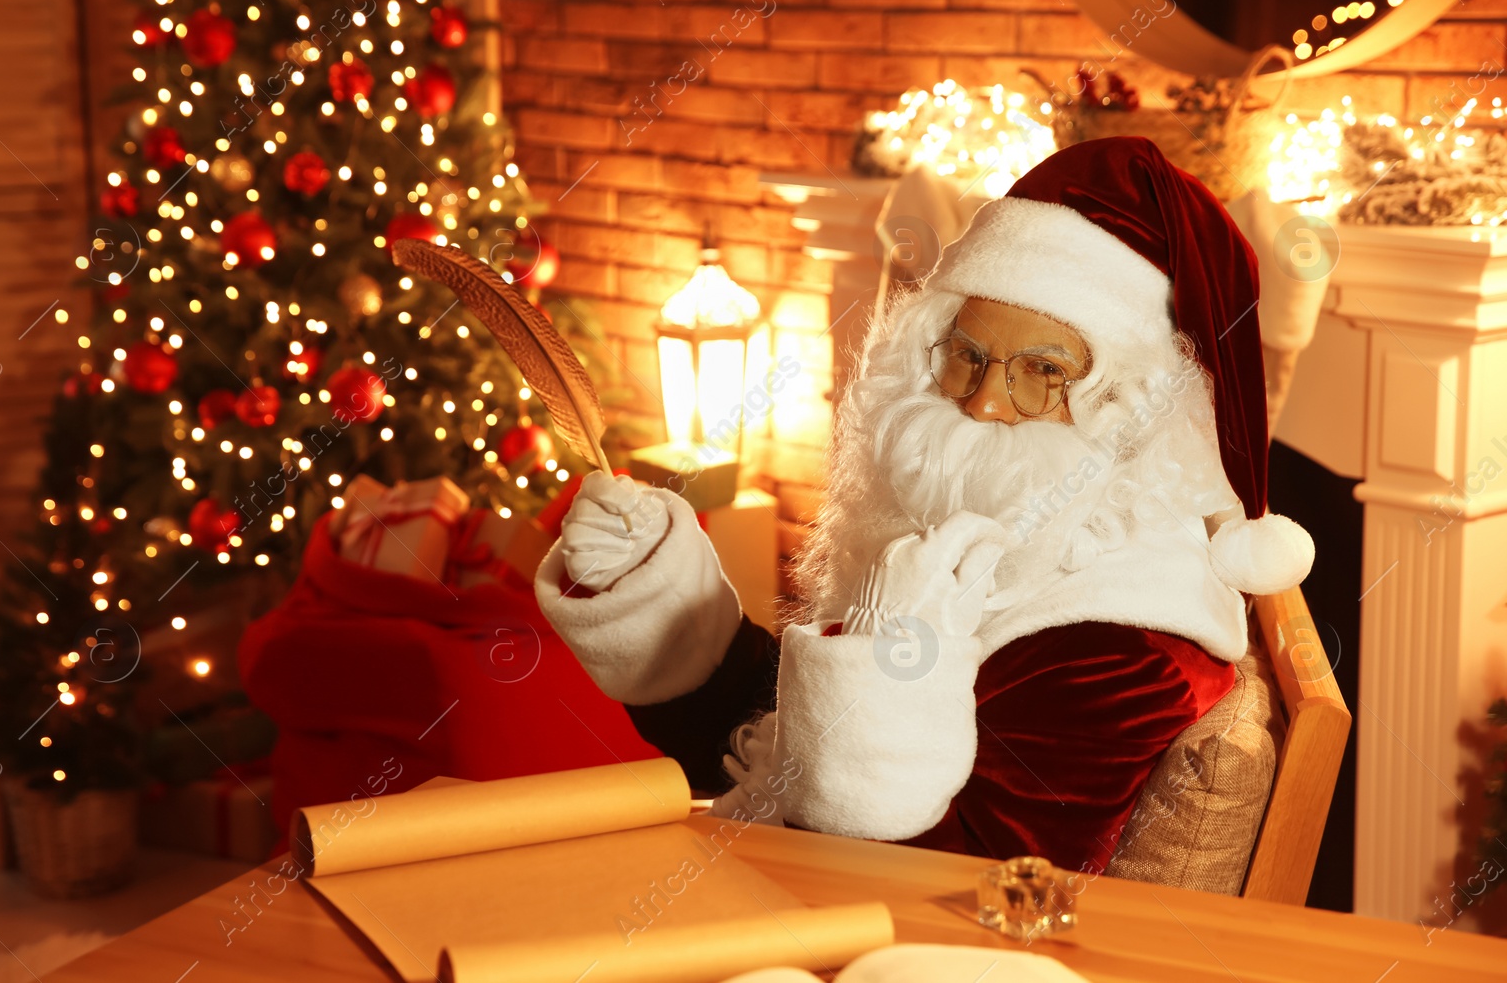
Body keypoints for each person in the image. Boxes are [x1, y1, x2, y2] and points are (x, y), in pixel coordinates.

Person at [532, 137, 1314, 874]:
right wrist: (657, 596)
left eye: (1042, 371)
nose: (982, 403)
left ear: (1131, 408)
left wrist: (887, 668)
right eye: (967, 356)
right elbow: (769, 748)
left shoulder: (1122, 644)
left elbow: (955, 892)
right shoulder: (997, 529)